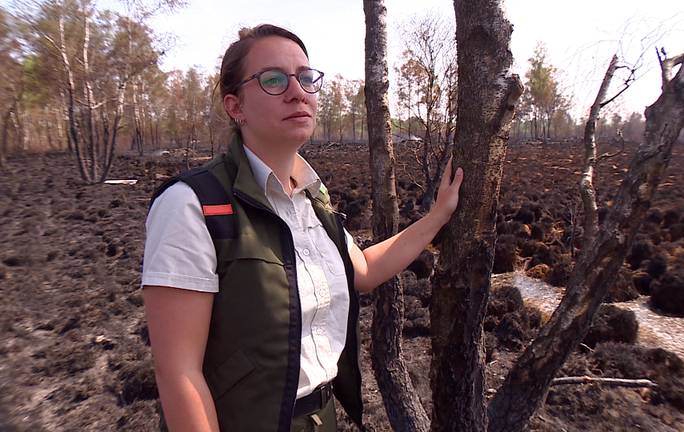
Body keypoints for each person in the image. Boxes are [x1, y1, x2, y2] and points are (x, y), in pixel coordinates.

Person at [141, 24, 463, 432]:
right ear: (234, 106)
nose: (297, 91)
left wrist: (437, 218)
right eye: (273, 79)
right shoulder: (191, 205)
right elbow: (179, 373)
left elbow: (361, 270)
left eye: (306, 77)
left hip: (321, 419)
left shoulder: (313, 199)